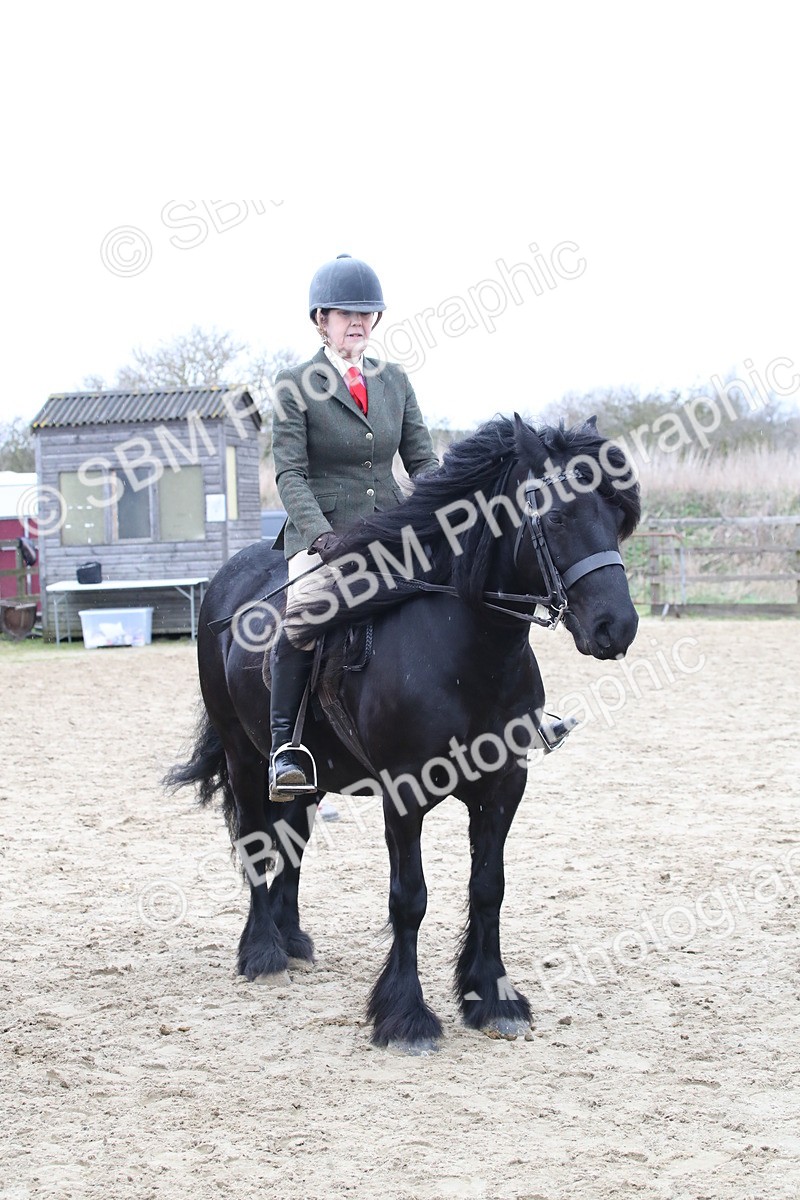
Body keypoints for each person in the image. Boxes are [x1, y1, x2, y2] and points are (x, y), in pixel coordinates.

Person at [268, 254, 440, 803]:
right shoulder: (295, 384)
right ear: (321, 319)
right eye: (347, 313)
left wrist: (443, 511)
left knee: (466, 584)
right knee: (303, 614)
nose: (358, 322)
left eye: (368, 313)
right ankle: (285, 748)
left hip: (391, 526)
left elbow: (422, 462)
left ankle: (509, 712)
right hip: (323, 532)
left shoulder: (395, 381)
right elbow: (289, 473)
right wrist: (321, 536)